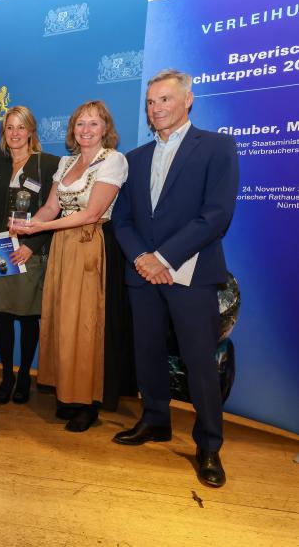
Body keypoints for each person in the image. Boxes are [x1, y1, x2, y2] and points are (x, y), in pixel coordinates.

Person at [112, 69, 239, 488]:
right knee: (147, 353)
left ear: (188, 101)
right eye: (151, 102)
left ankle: (208, 446)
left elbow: (216, 215)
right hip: (144, 274)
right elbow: (124, 220)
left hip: (193, 272)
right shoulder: (135, 158)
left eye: (165, 99)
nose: (157, 108)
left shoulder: (218, 147)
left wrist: (163, 258)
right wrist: (144, 260)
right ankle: (155, 420)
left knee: (199, 362)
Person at [13, 100, 129, 432]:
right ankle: (68, 394)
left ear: (106, 128)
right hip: (63, 245)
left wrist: (39, 228)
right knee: (63, 320)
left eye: (94, 123)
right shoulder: (66, 162)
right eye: (80, 123)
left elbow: (92, 213)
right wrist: (27, 225)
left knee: (86, 325)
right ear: (72, 130)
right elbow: (51, 207)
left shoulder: (114, 161)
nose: (86, 130)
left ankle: (88, 402)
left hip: (90, 244)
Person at [0, 106, 59, 404]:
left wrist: (34, 245)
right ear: (4, 133)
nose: (15, 133)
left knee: (28, 319)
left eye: (20, 127)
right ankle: (6, 376)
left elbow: (58, 210)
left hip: (31, 252)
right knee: (3, 317)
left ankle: (26, 375)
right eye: (9, 128)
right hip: (1, 249)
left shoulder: (48, 164)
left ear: (31, 131)